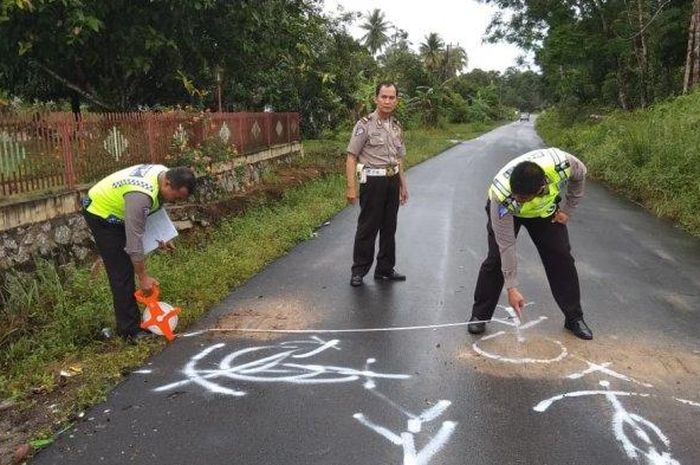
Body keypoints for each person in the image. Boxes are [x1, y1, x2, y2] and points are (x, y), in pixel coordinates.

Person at [467, 148, 593, 340]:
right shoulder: (503, 196)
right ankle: (480, 315)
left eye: (523, 198)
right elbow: (506, 245)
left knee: (562, 258)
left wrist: (568, 210)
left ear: (541, 187)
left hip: (544, 213)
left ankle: (574, 317)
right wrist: (511, 287)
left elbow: (580, 175)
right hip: (507, 213)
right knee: (496, 259)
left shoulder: (563, 164)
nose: (518, 200)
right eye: (516, 195)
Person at [82, 164, 196, 341]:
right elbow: (134, 243)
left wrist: (162, 235)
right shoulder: (140, 197)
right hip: (102, 213)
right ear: (167, 184)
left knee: (129, 262)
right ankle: (130, 331)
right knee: (121, 270)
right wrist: (143, 277)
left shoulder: (163, 173)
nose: (175, 202)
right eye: (176, 197)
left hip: (123, 207)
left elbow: (155, 207)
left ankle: (131, 325)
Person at [346, 81, 409, 287]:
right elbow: (351, 157)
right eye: (384, 96)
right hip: (373, 182)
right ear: (376, 98)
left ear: (396, 101)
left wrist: (403, 185)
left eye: (392, 97)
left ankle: (385, 269)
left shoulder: (397, 126)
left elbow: (399, 158)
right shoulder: (364, 124)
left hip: (392, 181)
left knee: (389, 227)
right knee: (368, 226)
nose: (387, 101)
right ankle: (359, 270)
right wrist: (351, 187)